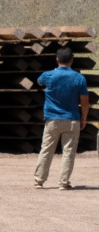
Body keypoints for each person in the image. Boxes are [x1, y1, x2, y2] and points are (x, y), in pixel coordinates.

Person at [33, 47, 89, 190]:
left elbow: (39, 81)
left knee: (46, 149)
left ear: (57, 60)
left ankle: (39, 180)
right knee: (68, 152)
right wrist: (84, 118)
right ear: (72, 60)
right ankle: (63, 182)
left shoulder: (48, 75)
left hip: (52, 119)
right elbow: (84, 100)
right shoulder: (79, 78)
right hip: (71, 119)